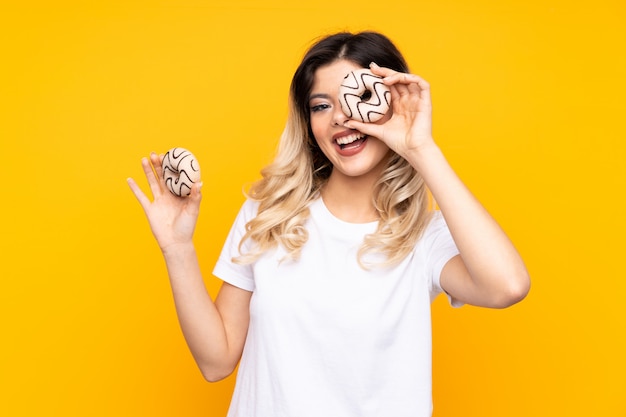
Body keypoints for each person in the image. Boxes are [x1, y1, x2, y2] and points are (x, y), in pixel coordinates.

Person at [127, 31, 530, 417]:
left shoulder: (423, 236)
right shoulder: (269, 214)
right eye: (320, 106)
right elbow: (216, 361)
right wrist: (177, 248)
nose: (340, 117)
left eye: (358, 97)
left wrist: (419, 146)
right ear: (308, 123)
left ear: (392, 105)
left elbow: (507, 286)